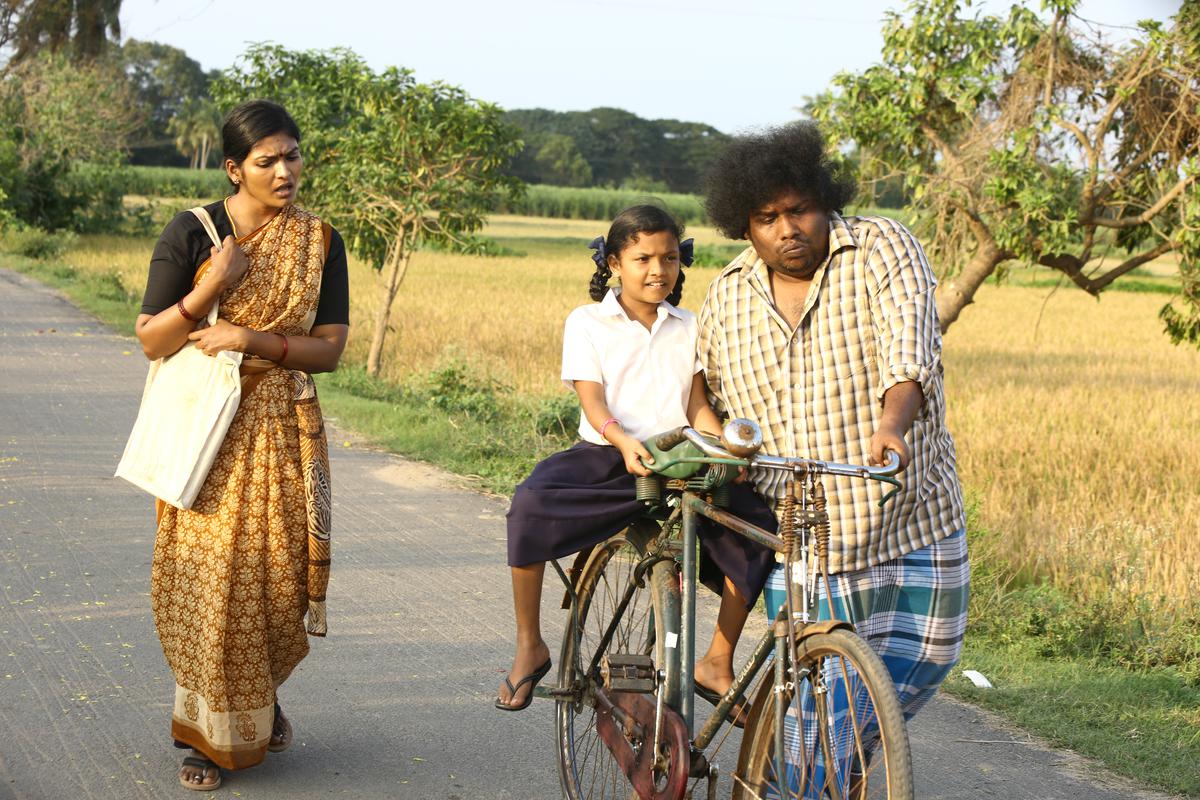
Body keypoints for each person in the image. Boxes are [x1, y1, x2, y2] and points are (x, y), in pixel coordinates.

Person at [698, 123, 969, 778]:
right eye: (768, 217)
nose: (787, 228)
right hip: (809, 537)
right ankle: (804, 781)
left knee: (930, 656)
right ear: (746, 225)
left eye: (800, 210)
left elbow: (910, 355)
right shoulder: (728, 295)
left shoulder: (880, 247)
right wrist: (715, 436)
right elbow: (699, 385)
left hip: (913, 517)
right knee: (816, 716)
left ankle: (832, 774)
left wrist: (892, 426)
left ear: (826, 201)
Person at [134, 100, 350, 791]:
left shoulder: (320, 242)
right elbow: (152, 339)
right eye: (267, 161)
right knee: (212, 578)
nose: (285, 171)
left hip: (285, 429)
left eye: (292, 155)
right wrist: (210, 292)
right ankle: (207, 739)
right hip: (204, 433)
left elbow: (331, 350)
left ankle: (259, 690)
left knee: (279, 582)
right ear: (234, 170)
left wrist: (251, 338)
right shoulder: (193, 233)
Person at [497, 205, 777, 716]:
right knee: (529, 506)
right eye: (643, 257)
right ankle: (528, 645)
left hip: (681, 460)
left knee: (758, 526)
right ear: (613, 264)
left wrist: (724, 448)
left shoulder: (690, 325)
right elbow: (593, 400)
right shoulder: (588, 322)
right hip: (608, 455)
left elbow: (697, 405)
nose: (658, 270)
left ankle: (716, 660)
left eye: (669, 258)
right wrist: (624, 442)